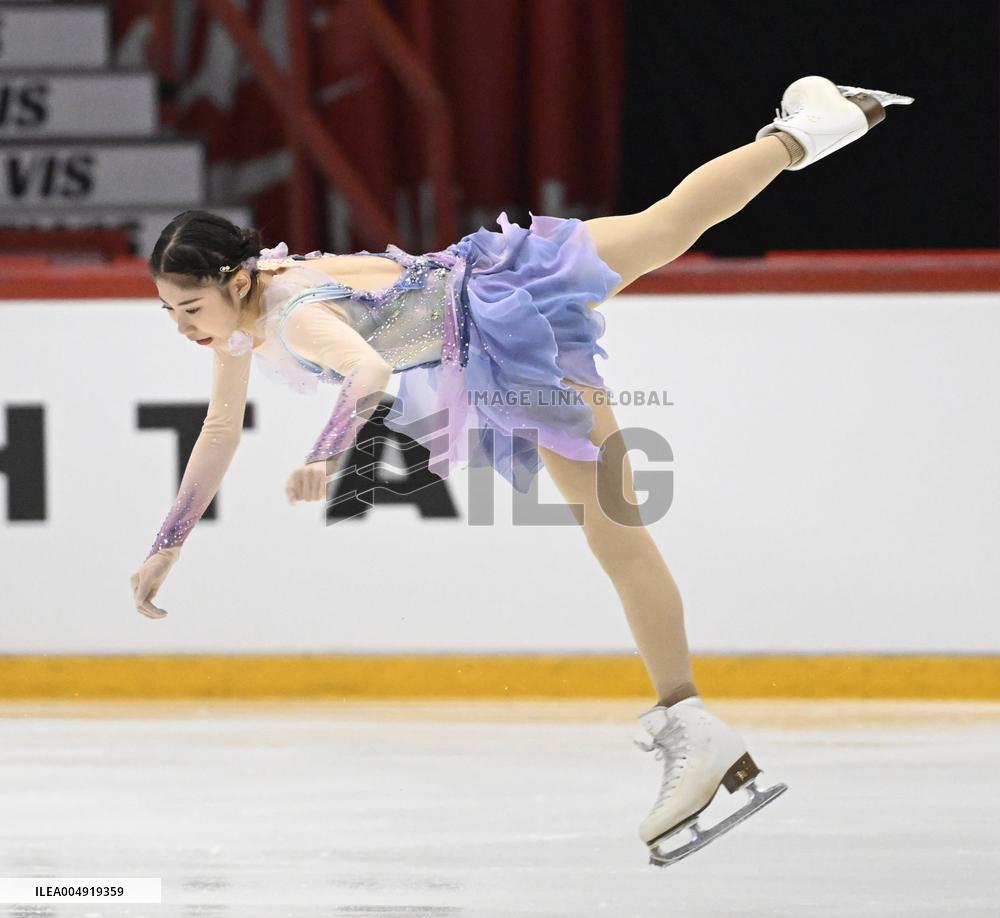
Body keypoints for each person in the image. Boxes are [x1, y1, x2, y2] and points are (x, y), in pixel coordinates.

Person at [130, 75, 913, 865]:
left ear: (234, 281)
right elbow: (221, 427)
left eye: (190, 311)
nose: (183, 329)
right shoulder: (246, 313)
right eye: (169, 313)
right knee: (665, 230)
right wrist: (170, 542)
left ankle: (693, 727)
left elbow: (367, 376)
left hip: (507, 332)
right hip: (501, 280)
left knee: (618, 528)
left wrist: (326, 453)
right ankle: (809, 125)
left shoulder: (293, 313)